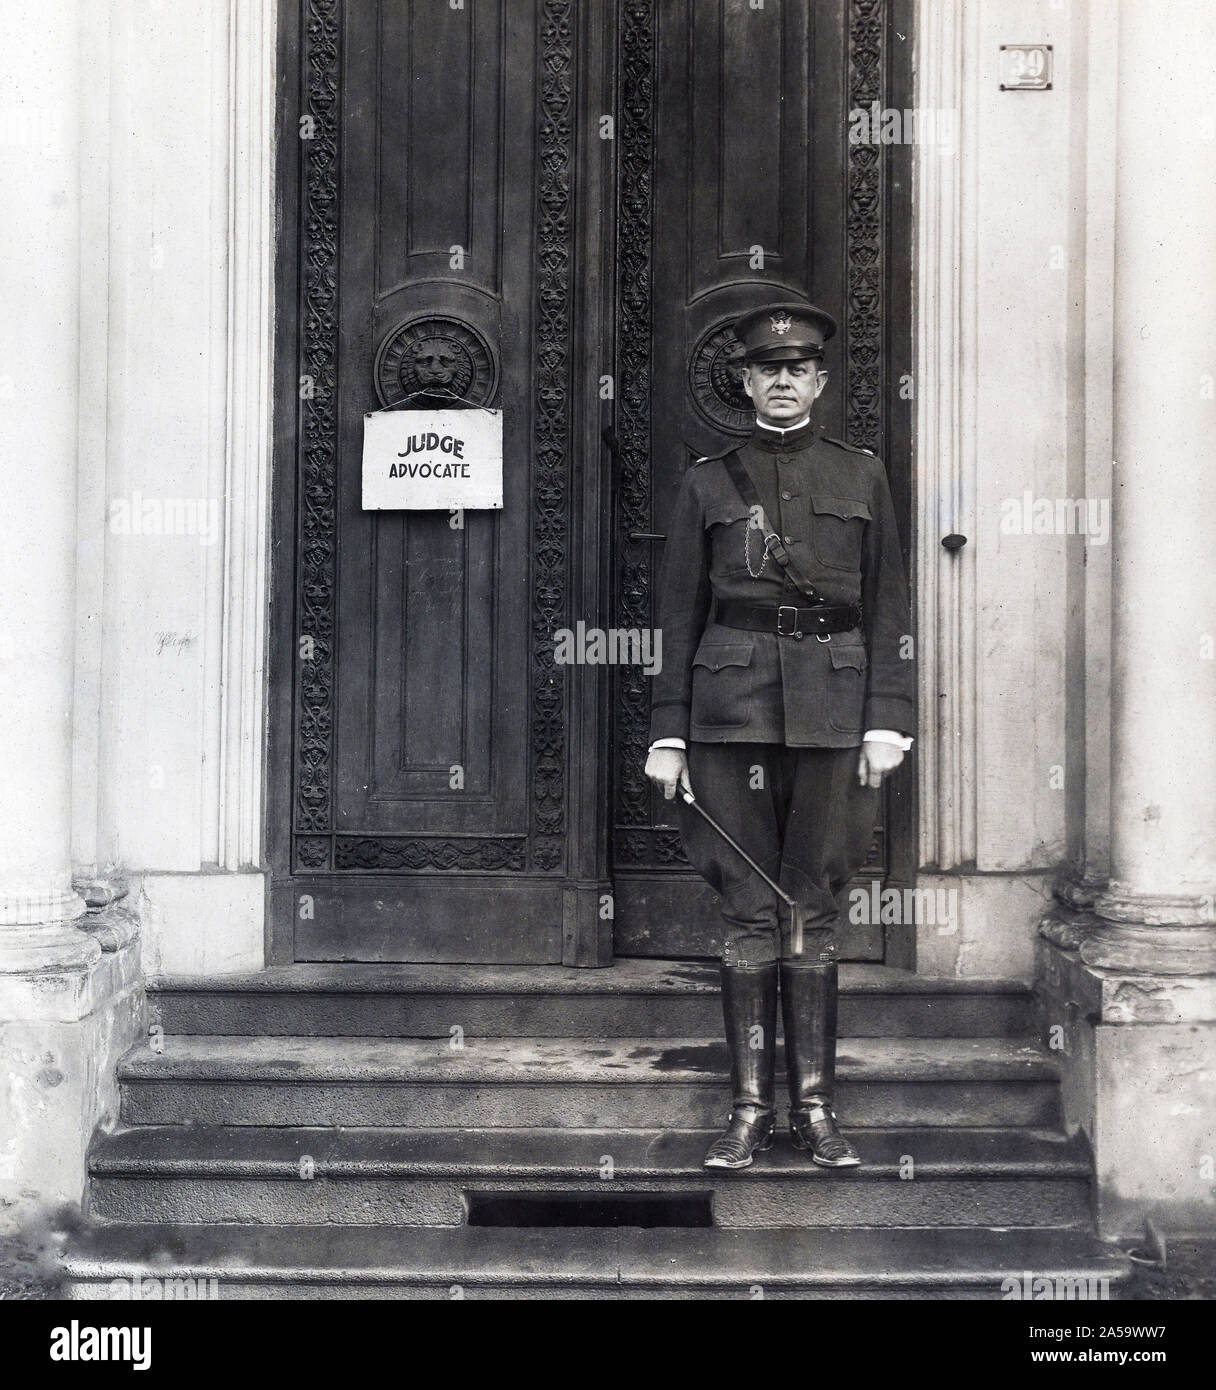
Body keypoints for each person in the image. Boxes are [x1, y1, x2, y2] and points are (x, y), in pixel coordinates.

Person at [644, 299, 915, 1170]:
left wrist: (888, 718)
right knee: (748, 910)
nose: (785, 382)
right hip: (730, 718)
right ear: (748, 382)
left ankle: (818, 1111)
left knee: (816, 908)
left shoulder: (861, 475)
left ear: (821, 382)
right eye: (769, 370)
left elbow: (889, 605)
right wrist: (668, 735)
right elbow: (677, 615)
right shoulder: (707, 482)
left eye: (799, 370)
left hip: (836, 716)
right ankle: (750, 1111)